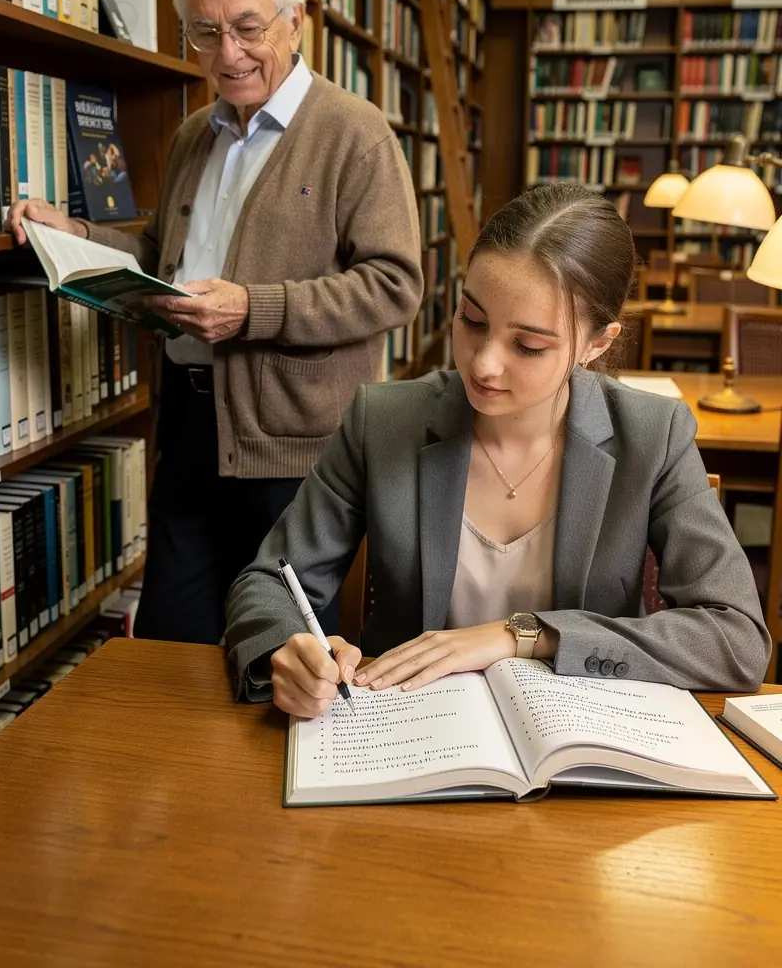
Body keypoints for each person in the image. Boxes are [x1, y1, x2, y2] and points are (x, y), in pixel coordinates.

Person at [6, 0, 424, 645]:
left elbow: (394, 285)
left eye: (248, 29)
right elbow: (156, 256)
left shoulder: (357, 134)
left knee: (283, 659)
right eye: (206, 32)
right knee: (172, 647)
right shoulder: (192, 135)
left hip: (294, 450)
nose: (227, 53)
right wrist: (71, 233)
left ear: (296, 20)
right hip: (190, 431)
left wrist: (252, 310)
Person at [225, 184, 771, 717]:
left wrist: (521, 635)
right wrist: (284, 652)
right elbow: (270, 581)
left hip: (576, 746)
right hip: (401, 731)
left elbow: (735, 637)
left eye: (528, 345)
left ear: (597, 343)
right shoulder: (385, 421)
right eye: (473, 321)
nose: (483, 364)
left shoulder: (652, 435)